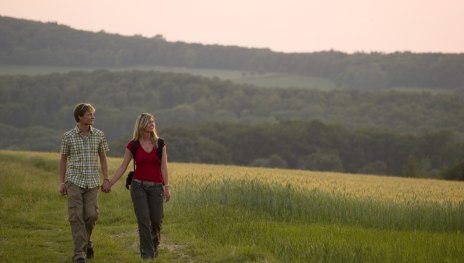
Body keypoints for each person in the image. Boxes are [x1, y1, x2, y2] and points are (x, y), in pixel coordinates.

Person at [102, 113, 170, 259]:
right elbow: (122, 167)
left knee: (157, 221)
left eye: (153, 122)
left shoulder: (160, 144)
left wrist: (167, 187)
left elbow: (164, 168)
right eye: (149, 122)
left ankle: (153, 245)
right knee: (143, 221)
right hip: (138, 187)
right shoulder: (133, 145)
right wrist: (109, 183)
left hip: (157, 187)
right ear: (141, 125)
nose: (152, 124)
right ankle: (148, 255)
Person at [59, 103, 110, 263]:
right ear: (80, 117)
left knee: (91, 215)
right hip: (74, 181)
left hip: (93, 182)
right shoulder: (68, 136)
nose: (92, 117)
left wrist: (106, 179)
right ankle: (79, 254)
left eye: (92, 114)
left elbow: (103, 158)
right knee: (76, 217)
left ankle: (87, 242)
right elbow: (63, 159)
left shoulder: (99, 135)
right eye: (89, 114)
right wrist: (62, 182)